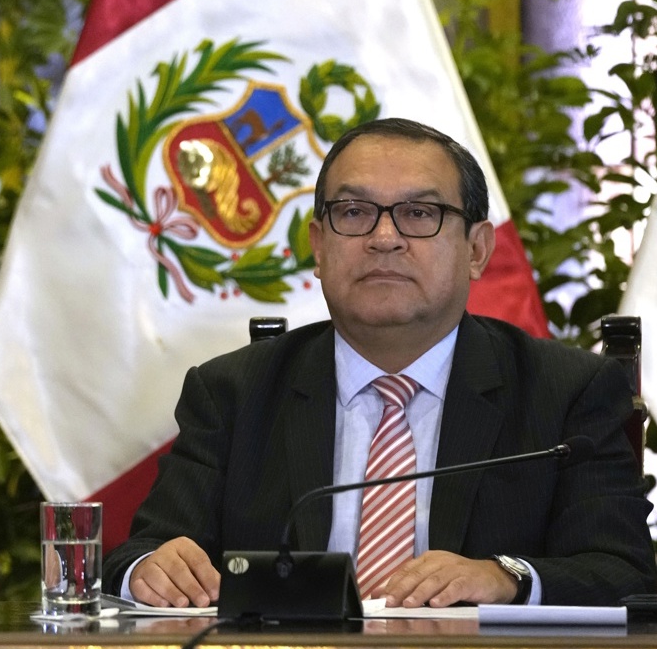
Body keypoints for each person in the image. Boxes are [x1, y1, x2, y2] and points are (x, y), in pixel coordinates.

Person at [105, 118, 656, 608]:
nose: (384, 237)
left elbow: (625, 572)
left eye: (420, 213)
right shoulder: (233, 392)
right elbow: (139, 555)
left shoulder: (565, 393)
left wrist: (505, 577)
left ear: (477, 250)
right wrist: (148, 571)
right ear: (319, 248)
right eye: (354, 212)